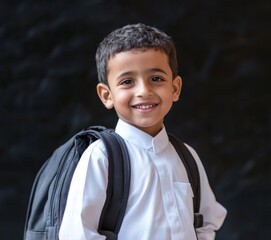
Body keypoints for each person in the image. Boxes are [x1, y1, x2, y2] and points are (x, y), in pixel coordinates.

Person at [59, 23, 227, 240]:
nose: (144, 91)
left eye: (156, 79)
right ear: (106, 95)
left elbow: (206, 222)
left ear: (175, 89)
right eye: (127, 82)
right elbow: (77, 235)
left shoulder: (187, 157)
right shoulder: (102, 157)